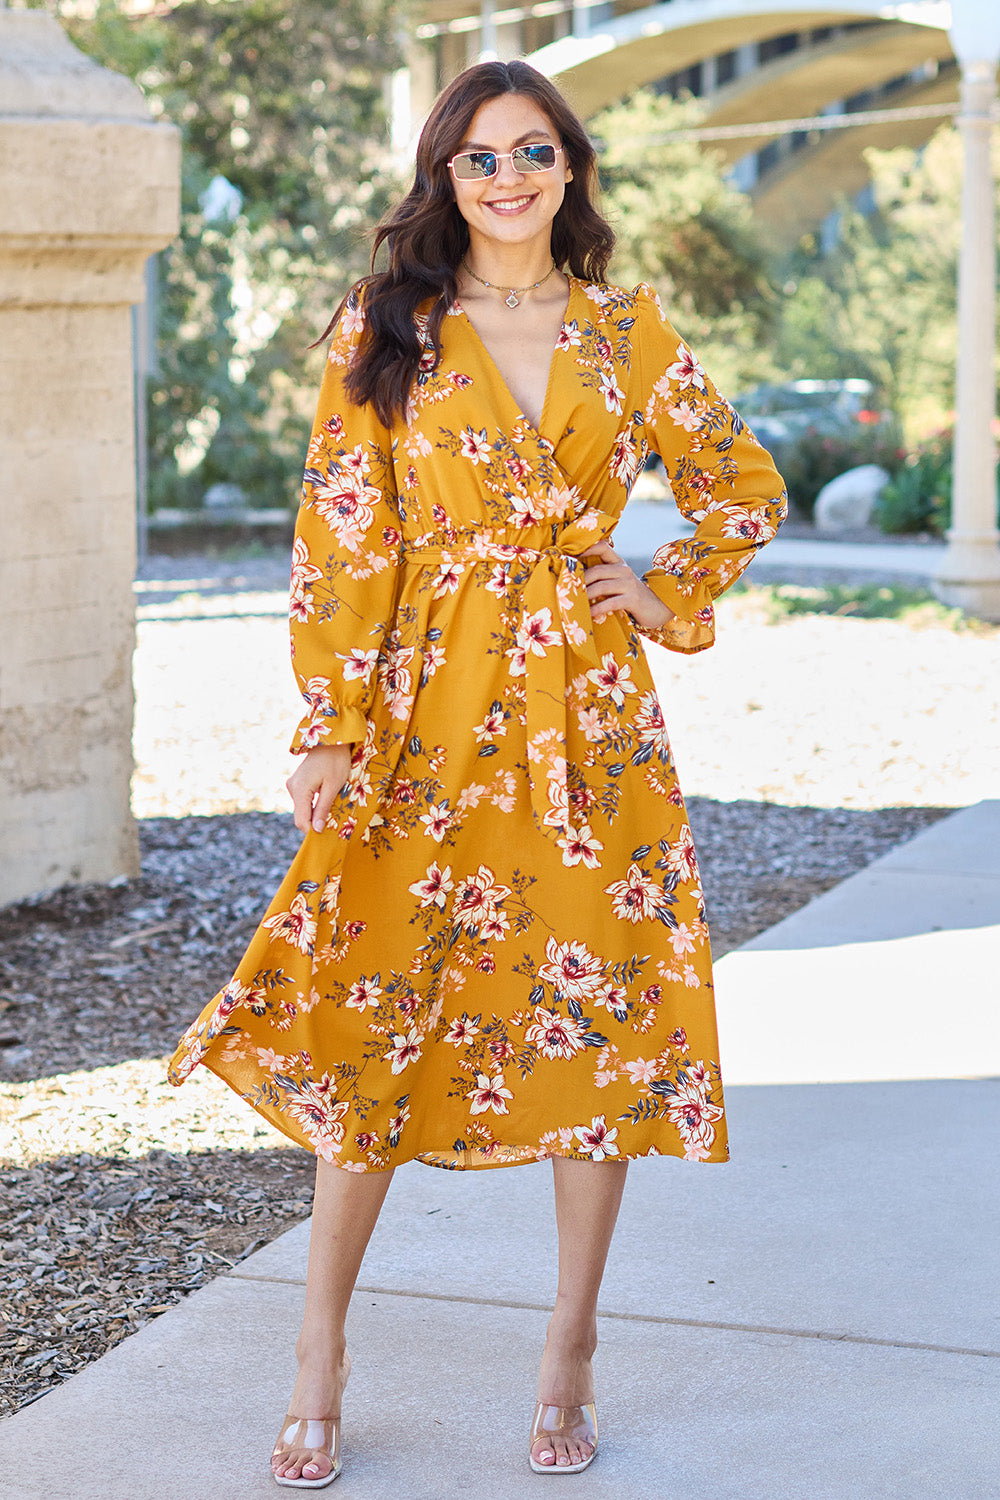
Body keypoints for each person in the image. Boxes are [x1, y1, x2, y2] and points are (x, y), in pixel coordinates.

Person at [168, 58, 786, 1487]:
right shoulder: (386, 329)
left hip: (587, 727)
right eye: (478, 160)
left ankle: (569, 1343)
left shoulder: (628, 333)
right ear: (444, 182)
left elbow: (740, 484)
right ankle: (320, 1346)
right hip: (418, 710)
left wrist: (661, 586)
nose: (507, 179)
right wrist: (327, 724)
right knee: (373, 1011)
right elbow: (340, 539)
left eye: (533, 153)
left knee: (592, 1017)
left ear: (571, 170)